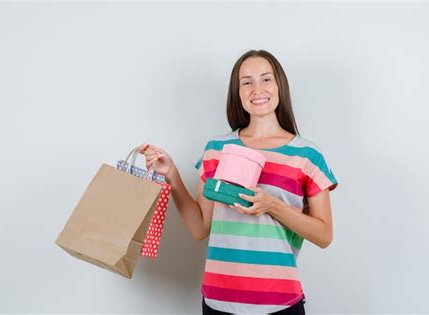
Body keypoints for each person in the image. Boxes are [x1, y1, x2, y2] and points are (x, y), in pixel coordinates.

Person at [138, 50, 338, 315]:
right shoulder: (217, 149)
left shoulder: (307, 155)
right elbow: (199, 228)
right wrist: (172, 175)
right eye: (247, 82)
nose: (257, 89)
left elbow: (324, 236)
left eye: (266, 79)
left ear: (280, 86)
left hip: (279, 304)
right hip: (218, 303)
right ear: (237, 92)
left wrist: (272, 206)